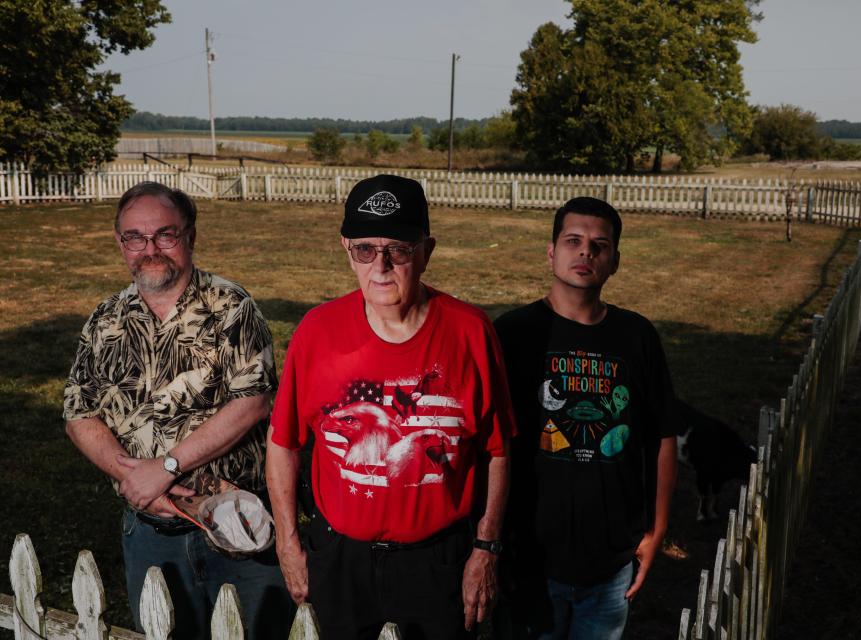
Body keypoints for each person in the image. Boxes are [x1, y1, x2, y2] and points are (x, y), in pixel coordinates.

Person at [266, 174, 516, 640]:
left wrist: (486, 548)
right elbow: (282, 443)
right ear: (346, 248)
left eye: (397, 249)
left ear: (426, 249)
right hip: (341, 559)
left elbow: (498, 450)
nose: (379, 266)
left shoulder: (470, 332)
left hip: (437, 560)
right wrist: (288, 541)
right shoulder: (317, 332)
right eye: (364, 249)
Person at [63, 182, 293, 640]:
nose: (150, 250)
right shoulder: (106, 319)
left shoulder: (232, 307)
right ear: (120, 242)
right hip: (150, 532)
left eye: (165, 235)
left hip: (234, 523)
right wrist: (137, 481)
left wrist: (166, 467)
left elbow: (252, 402)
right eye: (135, 237)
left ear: (190, 236)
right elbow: (78, 411)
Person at [494, 196, 678, 639]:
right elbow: (489, 442)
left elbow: (662, 438)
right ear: (551, 252)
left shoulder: (637, 336)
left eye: (600, 245)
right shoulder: (512, 333)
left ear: (615, 261)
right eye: (573, 240)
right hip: (530, 555)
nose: (586, 252)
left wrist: (656, 530)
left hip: (611, 559)